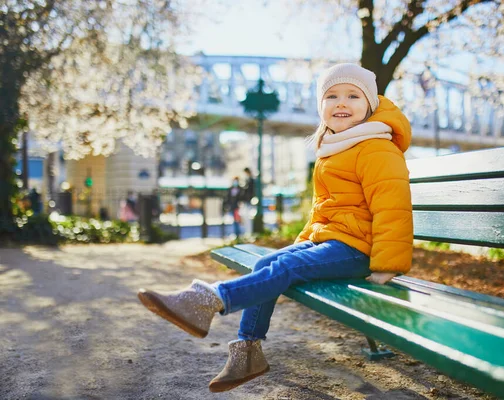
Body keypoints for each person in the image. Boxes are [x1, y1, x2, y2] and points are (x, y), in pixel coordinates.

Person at [137, 63, 413, 392]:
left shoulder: (376, 147)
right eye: (331, 96)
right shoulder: (336, 147)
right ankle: (248, 351)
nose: (341, 102)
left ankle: (206, 300)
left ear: (370, 105)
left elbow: (392, 206)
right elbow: (324, 209)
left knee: (285, 266)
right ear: (320, 107)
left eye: (353, 95)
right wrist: (303, 243)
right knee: (268, 262)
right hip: (333, 241)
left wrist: (387, 264)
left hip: (360, 250)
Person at [240, 167, 255, 235]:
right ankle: (247, 231)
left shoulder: (251, 180)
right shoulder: (247, 180)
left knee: (248, 217)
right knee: (244, 216)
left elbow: (250, 191)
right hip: (246, 201)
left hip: (248, 201)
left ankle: (249, 232)